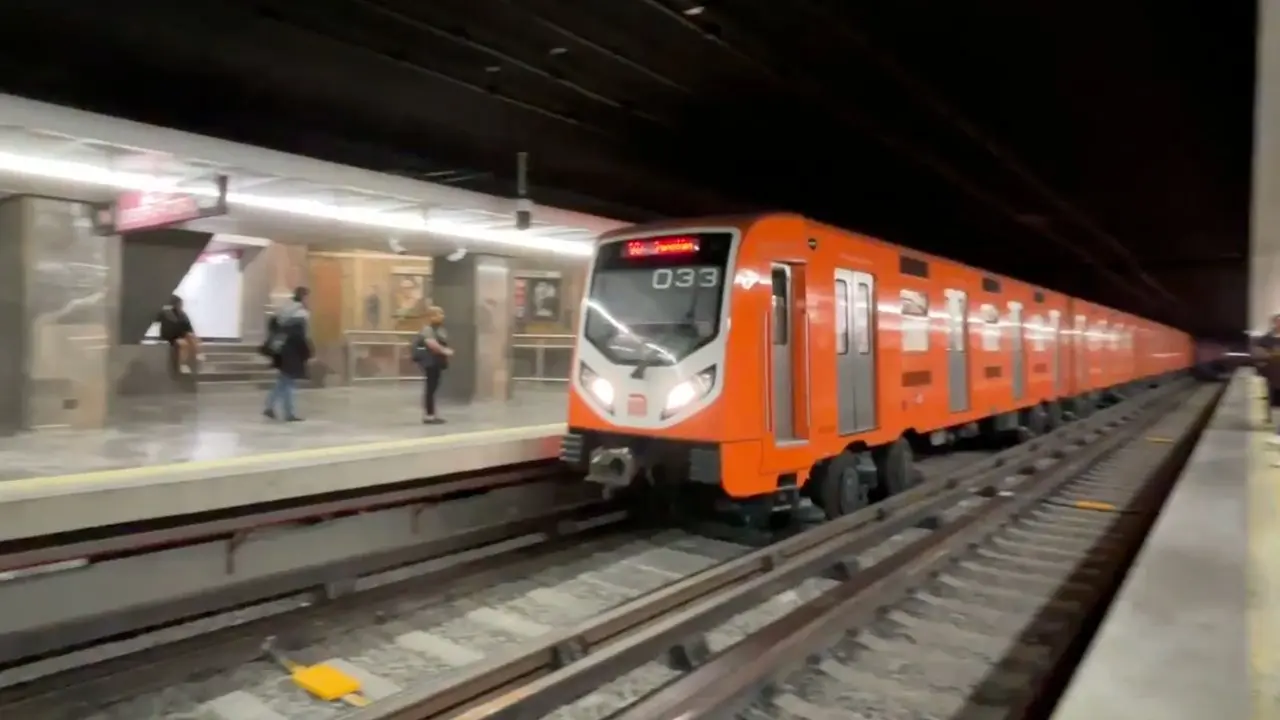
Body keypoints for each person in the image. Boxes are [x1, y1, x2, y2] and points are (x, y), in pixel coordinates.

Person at [262, 287, 313, 422]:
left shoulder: (287, 309)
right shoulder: (300, 314)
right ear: (303, 297)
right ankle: (288, 413)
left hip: (283, 350)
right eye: (307, 297)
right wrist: (307, 352)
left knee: (283, 382)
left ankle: (269, 406)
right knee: (289, 383)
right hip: (293, 352)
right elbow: (299, 336)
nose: (309, 300)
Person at [413, 305, 453, 424]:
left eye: (442, 314)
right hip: (430, 361)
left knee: (433, 387)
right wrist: (445, 351)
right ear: (431, 316)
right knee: (430, 387)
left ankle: (432, 413)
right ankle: (429, 415)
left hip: (437, 362)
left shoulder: (439, 329)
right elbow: (431, 343)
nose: (442, 316)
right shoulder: (428, 329)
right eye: (438, 314)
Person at [157, 295, 201, 374]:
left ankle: (195, 356)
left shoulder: (183, 315)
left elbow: (189, 328)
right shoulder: (167, 313)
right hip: (170, 337)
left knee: (192, 338)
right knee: (182, 344)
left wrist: (191, 335)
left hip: (181, 336)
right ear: (174, 304)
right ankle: (182, 364)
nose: (181, 306)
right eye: (179, 304)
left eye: (181, 304)